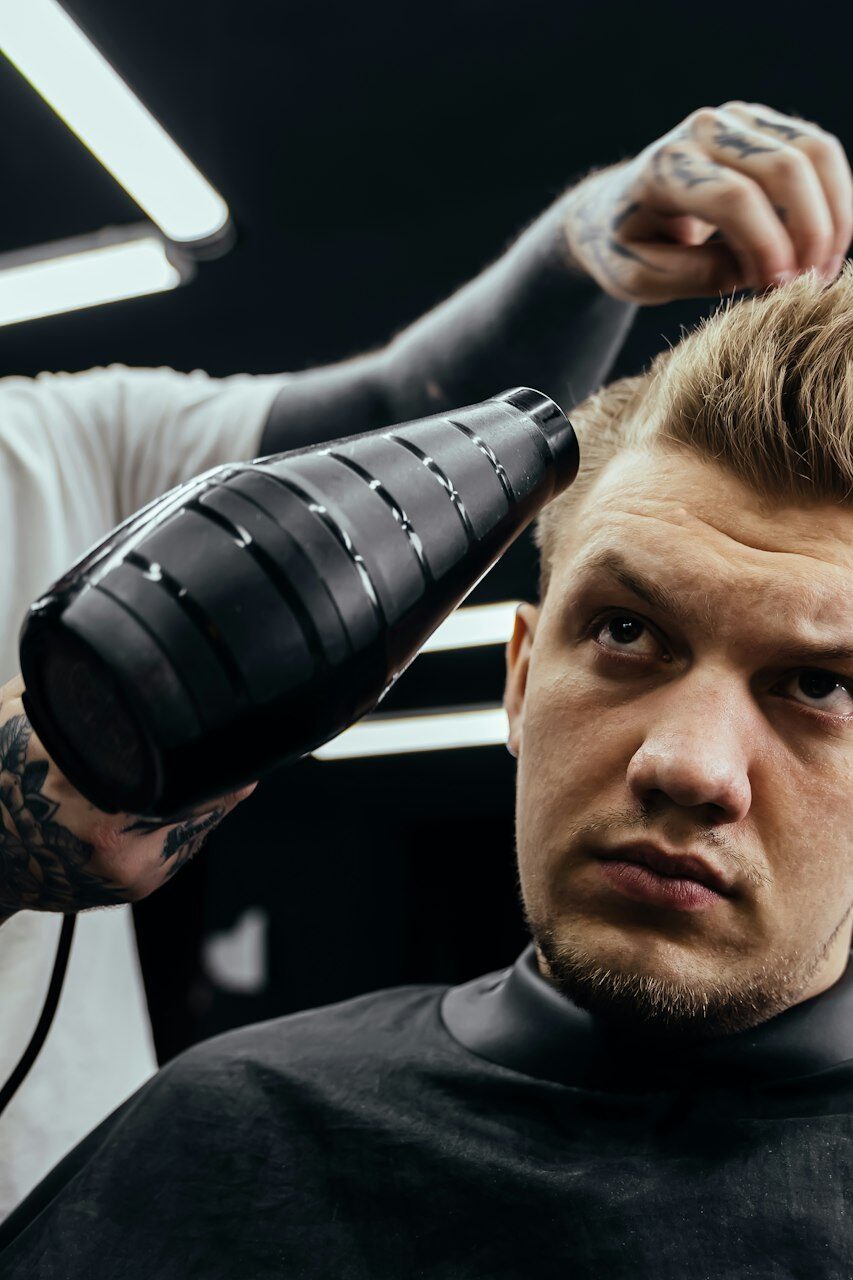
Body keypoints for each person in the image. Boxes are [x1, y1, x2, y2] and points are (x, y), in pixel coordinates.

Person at [0, 97, 848, 1240]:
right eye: (625, 631)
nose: (687, 765)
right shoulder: (221, 1134)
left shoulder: (47, 442)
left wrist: (591, 241)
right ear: (516, 676)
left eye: (820, 683)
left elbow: (398, 440)